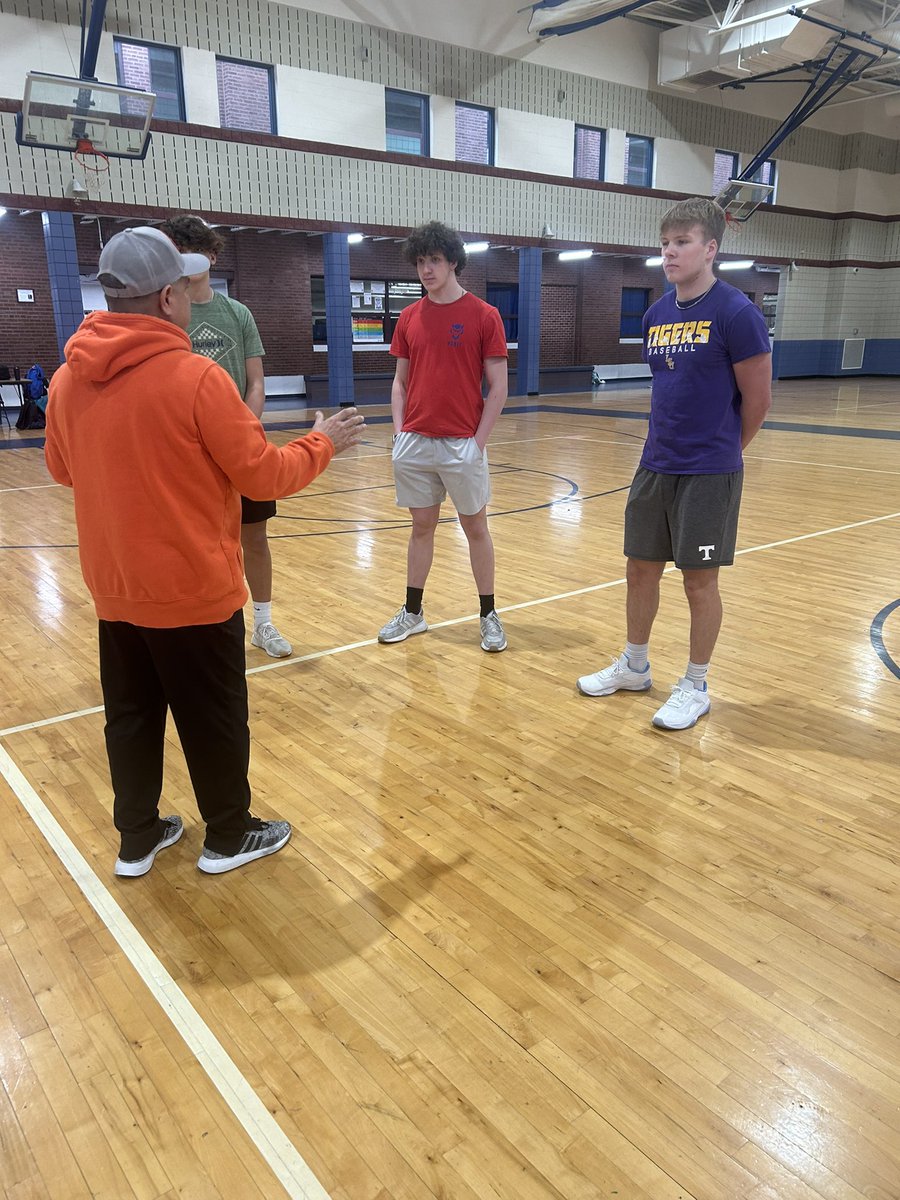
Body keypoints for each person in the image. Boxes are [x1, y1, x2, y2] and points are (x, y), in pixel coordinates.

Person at [44, 226, 365, 876]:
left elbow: (60, 469)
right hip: (193, 591)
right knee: (214, 718)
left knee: (130, 717)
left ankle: (137, 837)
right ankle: (228, 834)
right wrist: (323, 441)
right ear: (167, 298)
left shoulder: (65, 382)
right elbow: (265, 477)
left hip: (116, 591)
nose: (196, 295)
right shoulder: (195, 379)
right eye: (189, 286)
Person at [577, 197, 772, 730]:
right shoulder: (656, 315)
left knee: (698, 582)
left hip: (709, 471)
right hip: (654, 464)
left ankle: (696, 683)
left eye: (682, 242)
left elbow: (757, 401)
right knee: (640, 569)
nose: (670, 252)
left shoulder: (737, 313)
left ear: (711, 248)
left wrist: (725, 451)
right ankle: (635, 666)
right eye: (665, 243)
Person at [158, 214, 291, 660]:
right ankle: (196, 629)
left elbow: (255, 383)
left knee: (254, 539)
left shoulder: (238, 314)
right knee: (191, 543)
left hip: (237, 446)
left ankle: (265, 624)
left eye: (192, 249)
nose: (184, 258)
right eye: (176, 249)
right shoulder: (167, 314)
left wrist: (242, 432)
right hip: (184, 453)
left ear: (211, 256)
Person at [377, 221, 509, 652]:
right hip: (415, 441)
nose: (426, 269)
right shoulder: (410, 318)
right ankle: (413, 613)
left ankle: (488, 614)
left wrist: (478, 444)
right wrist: (399, 433)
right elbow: (399, 382)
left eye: (434, 260)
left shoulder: (484, 315)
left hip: (461, 444)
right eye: (420, 261)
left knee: (475, 527)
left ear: (453, 261)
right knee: (421, 528)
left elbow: (499, 387)